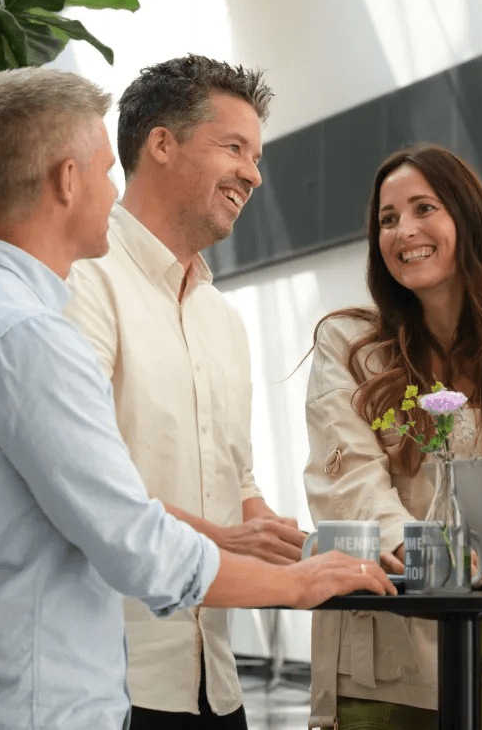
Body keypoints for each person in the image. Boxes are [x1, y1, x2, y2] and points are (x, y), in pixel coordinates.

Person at [0, 67, 393, 730]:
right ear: (68, 180)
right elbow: (132, 537)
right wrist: (299, 584)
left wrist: (294, 549)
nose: (113, 189)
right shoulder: (31, 332)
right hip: (38, 709)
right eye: (103, 171)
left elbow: (207, 487)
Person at [303, 144, 482, 729]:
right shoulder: (349, 347)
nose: (403, 231)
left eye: (424, 208)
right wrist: (428, 556)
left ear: (468, 218)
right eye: (388, 219)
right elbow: (349, 484)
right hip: (386, 657)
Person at [64, 55, 309, 730]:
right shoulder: (82, 282)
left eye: (256, 157)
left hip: (216, 684)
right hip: (113, 679)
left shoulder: (222, 319)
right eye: (234, 149)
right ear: (161, 144)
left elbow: (238, 481)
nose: (253, 175)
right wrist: (236, 543)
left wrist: (305, 546)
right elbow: (84, 488)